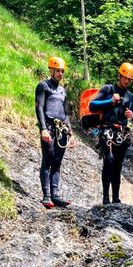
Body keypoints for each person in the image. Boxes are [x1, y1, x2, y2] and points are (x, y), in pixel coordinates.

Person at [88, 62, 133, 205]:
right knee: (109, 161)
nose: (127, 81)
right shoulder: (108, 89)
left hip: (121, 133)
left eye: (130, 79)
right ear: (119, 75)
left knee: (117, 165)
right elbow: (92, 105)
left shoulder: (131, 97)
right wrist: (109, 101)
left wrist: (132, 116)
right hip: (106, 130)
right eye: (125, 78)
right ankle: (105, 198)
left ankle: (116, 198)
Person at [36, 55, 75, 209]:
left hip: (62, 130)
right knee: (48, 158)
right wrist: (43, 129)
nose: (60, 73)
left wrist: (70, 133)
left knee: (57, 162)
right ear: (51, 70)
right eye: (58, 71)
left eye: (62, 71)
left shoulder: (63, 91)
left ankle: (55, 195)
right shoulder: (43, 86)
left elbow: (66, 114)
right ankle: (46, 195)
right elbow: (39, 108)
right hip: (49, 127)